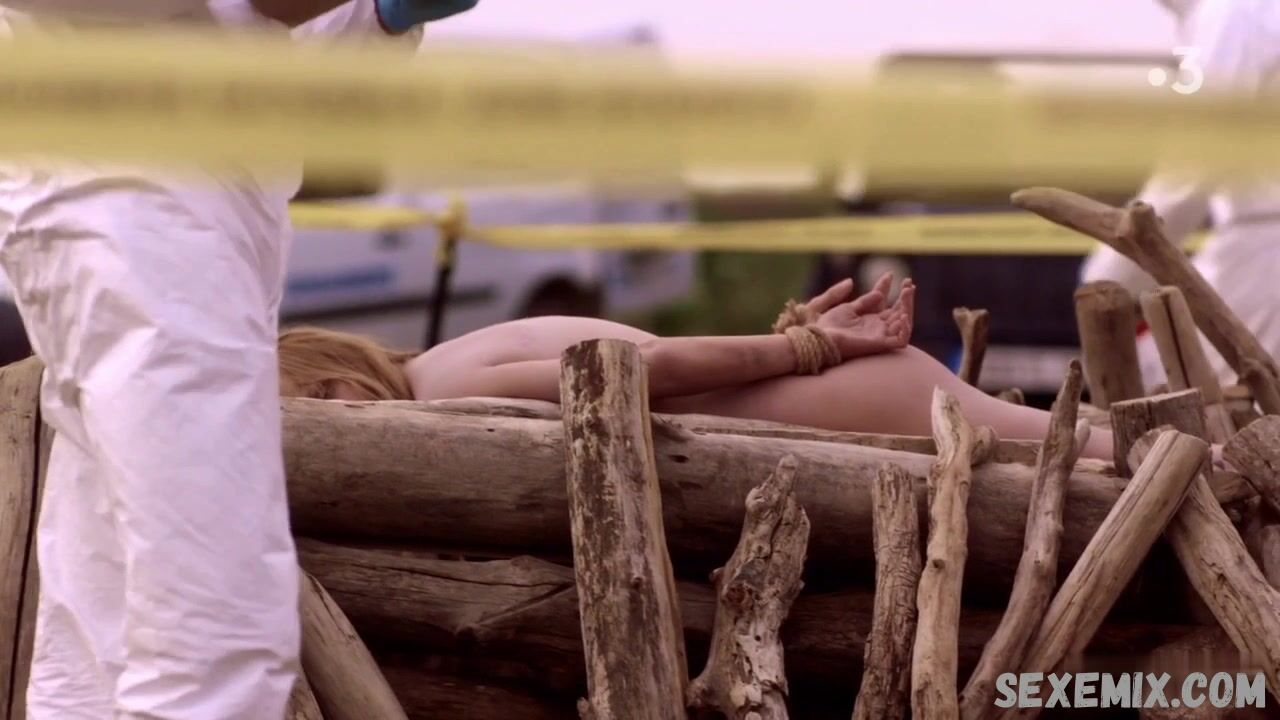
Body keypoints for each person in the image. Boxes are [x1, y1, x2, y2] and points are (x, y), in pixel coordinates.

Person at [0, 0, 475, 717]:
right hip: (138, 220)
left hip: (182, 218)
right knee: (214, 626)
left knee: (106, 616)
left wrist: (377, 20)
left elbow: (258, 40)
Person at [278, 274, 1119, 460]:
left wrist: (811, 347)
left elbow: (637, 370)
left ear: (334, 368)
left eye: (321, 397)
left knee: (1101, 455)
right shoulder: (445, 362)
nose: (337, 416)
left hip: (841, 400)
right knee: (1091, 447)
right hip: (837, 394)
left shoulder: (450, 387)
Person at [1081, 0, 1280, 389]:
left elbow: (1193, 166)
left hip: (1265, 256)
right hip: (1257, 245)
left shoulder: (1231, 14)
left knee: (1209, 399)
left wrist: (1107, 275)